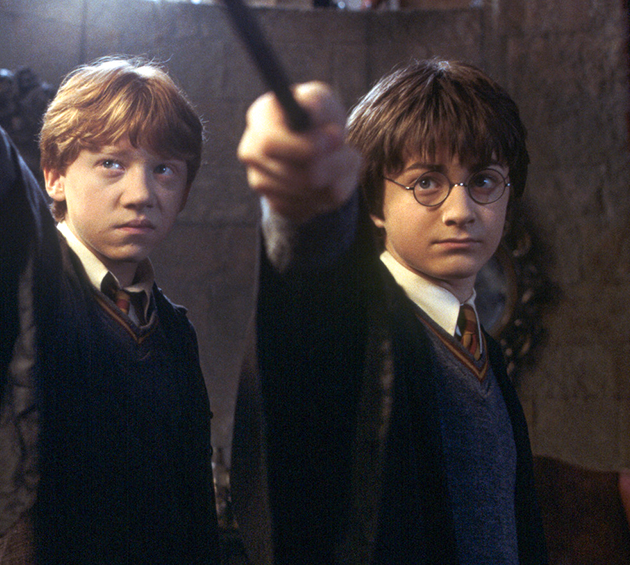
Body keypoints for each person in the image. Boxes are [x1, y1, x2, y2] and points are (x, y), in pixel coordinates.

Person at [0, 15, 219, 565]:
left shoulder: (174, 331)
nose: (141, 193)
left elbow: (194, 511)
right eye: (112, 164)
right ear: (55, 176)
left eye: (165, 170)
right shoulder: (38, 280)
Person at [230, 59, 548, 564]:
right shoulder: (366, 326)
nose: (461, 211)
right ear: (374, 202)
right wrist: (307, 212)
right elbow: (315, 306)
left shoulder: (481, 346)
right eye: (426, 183)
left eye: (484, 181)